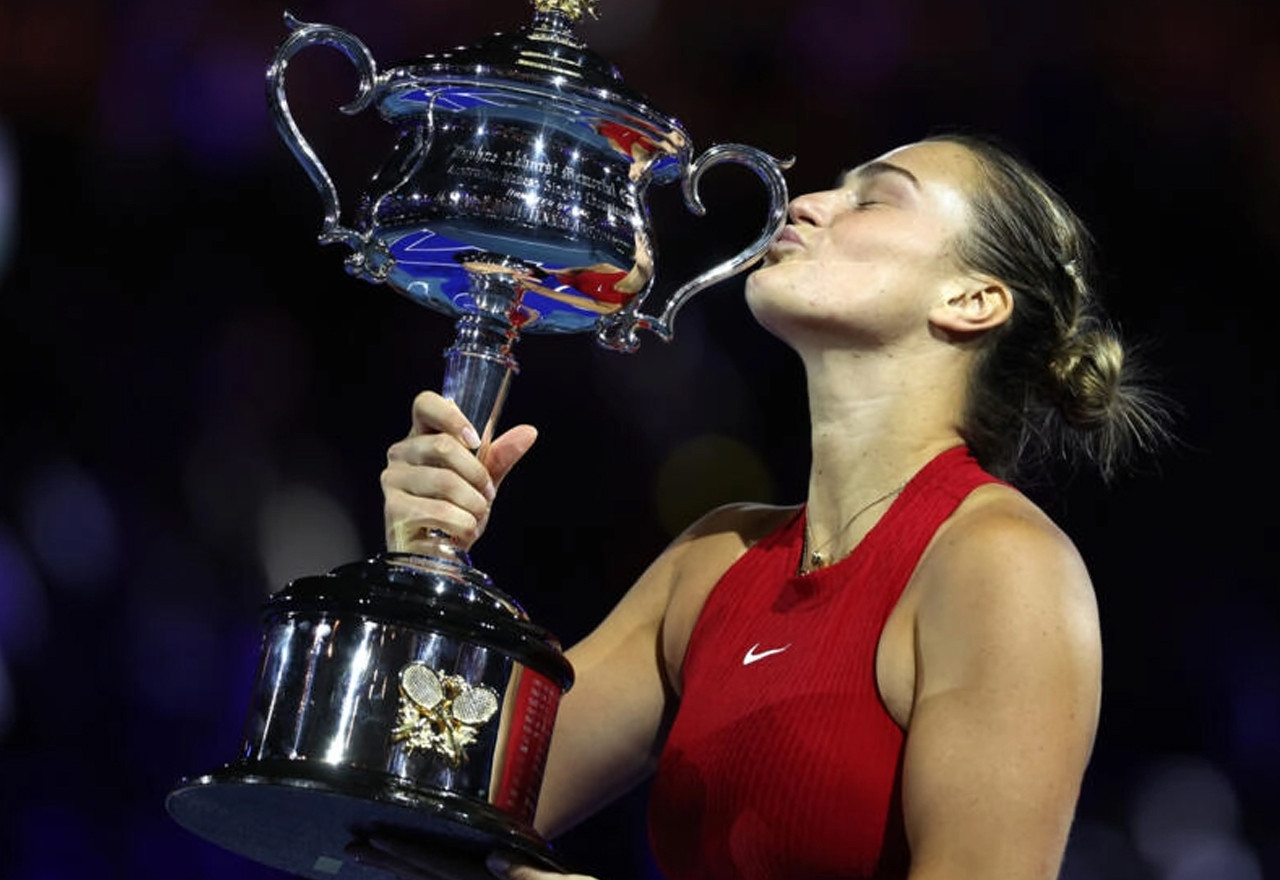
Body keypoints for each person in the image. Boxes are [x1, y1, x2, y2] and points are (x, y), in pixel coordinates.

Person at [370, 133, 1168, 880]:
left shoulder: (1000, 566)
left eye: (875, 198)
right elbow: (420, 809)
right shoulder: (713, 559)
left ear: (973, 299)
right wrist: (426, 557)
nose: (806, 203)